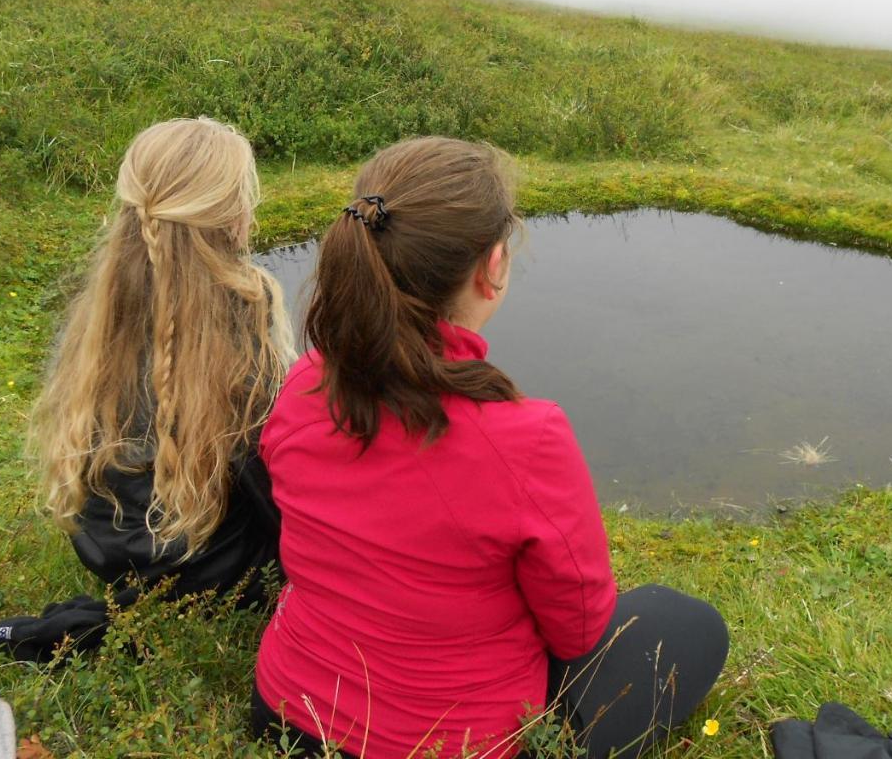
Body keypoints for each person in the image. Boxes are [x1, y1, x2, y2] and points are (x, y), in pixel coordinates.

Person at [252, 136, 728, 759]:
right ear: (493, 265)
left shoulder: (305, 383)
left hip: (286, 717)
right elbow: (578, 628)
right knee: (684, 623)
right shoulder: (527, 438)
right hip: (446, 744)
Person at [0, 118, 293, 662]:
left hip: (111, 555)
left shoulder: (96, 307)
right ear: (234, 218)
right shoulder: (246, 308)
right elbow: (271, 467)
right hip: (225, 578)